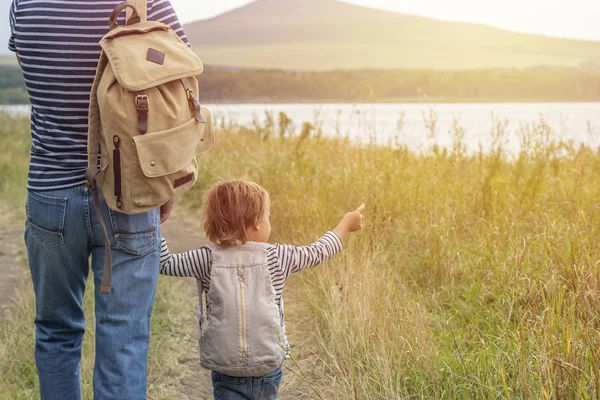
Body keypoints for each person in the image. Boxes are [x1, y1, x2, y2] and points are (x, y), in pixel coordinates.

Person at [8, 1, 188, 398]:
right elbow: (179, 82)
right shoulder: (148, 1)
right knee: (124, 340)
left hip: (50, 193)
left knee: (56, 332)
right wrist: (168, 180)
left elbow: (35, 74)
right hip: (131, 192)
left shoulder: (24, 4)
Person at [159, 179, 365, 399]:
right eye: (268, 217)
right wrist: (344, 225)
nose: (269, 222)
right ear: (257, 221)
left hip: (225, 368)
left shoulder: (206, 258)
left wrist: (155, 222)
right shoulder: (277, 257)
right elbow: (318, 252)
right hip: (267, 366)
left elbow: (165, 263)